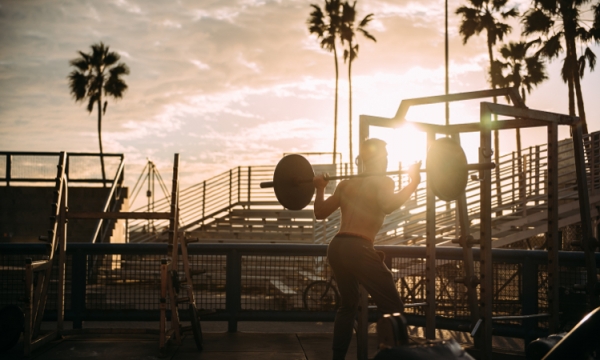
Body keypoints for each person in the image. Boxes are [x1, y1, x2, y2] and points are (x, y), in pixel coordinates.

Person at [313, 138, 421, 360]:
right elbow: (389, 205)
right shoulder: (383, 182)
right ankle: (394, 357)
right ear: (380, 159)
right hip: (358, 247)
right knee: (394, 306)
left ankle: (337, 359)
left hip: (337, 247)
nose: (387, 159)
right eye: (385, 156)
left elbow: (320, 212)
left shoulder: (346, 184)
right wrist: (413, 183)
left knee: (348, 305)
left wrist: (320, 188)